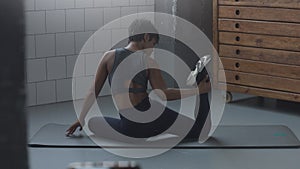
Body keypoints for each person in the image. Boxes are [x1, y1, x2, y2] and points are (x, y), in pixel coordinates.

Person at [66, 19, 211, 141]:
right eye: (153, 44)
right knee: (200, 131)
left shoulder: (108, 57)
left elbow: (93, 91)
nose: (153, 49)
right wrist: (198, 91)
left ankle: (198, 88)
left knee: (92, 123)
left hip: (131, 129)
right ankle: (202, 85)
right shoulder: (149, 61)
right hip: (153, 118)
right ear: (146, 37)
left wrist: (81, 118)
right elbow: (164, 94)